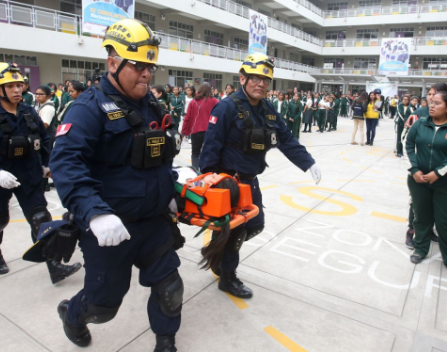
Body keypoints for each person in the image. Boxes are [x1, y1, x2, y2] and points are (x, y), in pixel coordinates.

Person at [50, 19, 184, 351]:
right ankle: (73, 315)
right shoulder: (88, 108)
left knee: (170, 289)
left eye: (150, 67)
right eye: (138, 65)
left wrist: (170, 191)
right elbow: (65, 163)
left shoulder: (151, 104)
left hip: (153, 223)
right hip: (111, 227)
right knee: (102, 306)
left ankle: (165, 342)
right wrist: (95, 214)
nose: (146, 74)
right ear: (113, 62)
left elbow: (157, 155)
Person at [199, 53, 321, 299]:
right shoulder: (226, 107)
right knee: (234, 230)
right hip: (228, 183)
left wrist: (308, 162)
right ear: (243, 78)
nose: (261, 84)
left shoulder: (267, 109)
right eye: (255, 78)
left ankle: (217, 251)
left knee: (255, 224)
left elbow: (285, 138)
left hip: (250, 181)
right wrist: (211, 181)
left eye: (266, 80)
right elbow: (210, 148)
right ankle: (228, 276)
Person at [0, 62, 82, 281]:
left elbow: (43, 140)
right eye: (10, 86)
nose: (18, 90)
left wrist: (47, 164)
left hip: (28, 173)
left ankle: (53, 264)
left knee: (41, 218)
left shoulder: (28, 112)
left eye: (19, 85)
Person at [405, 91, 447, 279]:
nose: (431, 106)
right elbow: (407, 144)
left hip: (446, 183)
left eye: (437, 103)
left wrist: (438, 173)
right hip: (418, 180)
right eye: (431, 102)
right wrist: (414, 169)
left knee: (445, 223)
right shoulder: (420, 123)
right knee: (421, 217)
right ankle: (420, 248)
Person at [182, 84, 219, 170]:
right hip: (210, 132)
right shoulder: (215, 101)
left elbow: (187, 117)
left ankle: (195, 172)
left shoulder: (193, 102)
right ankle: (205, 171)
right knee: (207, 153)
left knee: (195, 153)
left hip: (196, 131)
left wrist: (183, 131)